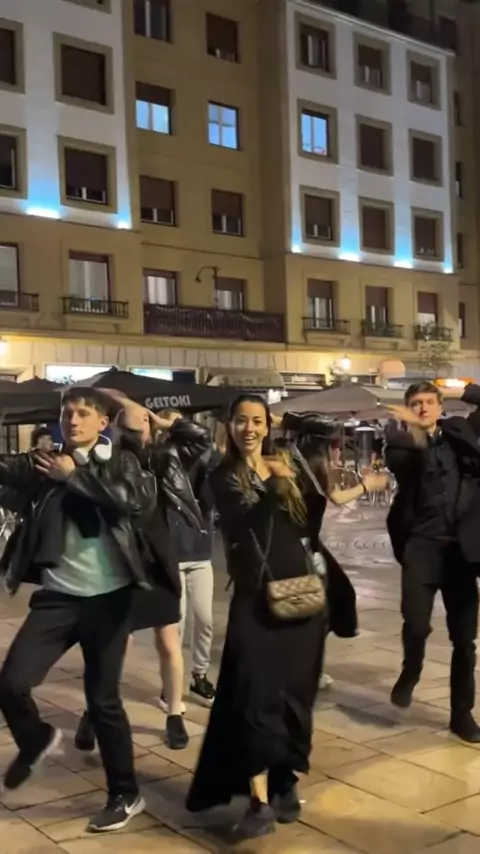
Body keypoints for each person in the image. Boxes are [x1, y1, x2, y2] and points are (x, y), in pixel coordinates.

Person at [186, 394, 363, 840]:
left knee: (296, 698)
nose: (249, 428)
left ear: (268, 426)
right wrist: (276, 489)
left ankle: (285, 778)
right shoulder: (223, 474)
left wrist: (304, 471)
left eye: (257, 421)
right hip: (255, 602)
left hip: (301, 594)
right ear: (229, 425)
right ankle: (259, 800)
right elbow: (244, 520)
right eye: (241, 420)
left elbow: (310, 523)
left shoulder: (287, 464)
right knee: (252, 698)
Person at [0, 388, 156, 832]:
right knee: (11, 684)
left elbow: (132, 502)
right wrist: (58, 470)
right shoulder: (45, 461)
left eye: (84, 413)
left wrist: (75, 475)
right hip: (59, 598)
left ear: (102, 423)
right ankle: (35, 739)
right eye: (67, 412)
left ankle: (125, 793)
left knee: (103, 701)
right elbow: (6, 468)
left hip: (110, 599)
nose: (73, 420)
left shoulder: (121, 461)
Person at [74, 395, 212, 752]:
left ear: (151, 427)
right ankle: (94, 711)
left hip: (158, 562)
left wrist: (167, 423)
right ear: (117, 430)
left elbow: (202, 440)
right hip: (120, 563)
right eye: (127, 428)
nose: (135, 434)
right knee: (114, 645)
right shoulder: (107, 462)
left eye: (142, 425)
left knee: (168, 641)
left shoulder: (163, 459)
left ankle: (175, 713)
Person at [386, 380, 480, 743]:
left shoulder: (459, 432)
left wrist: (462, 392)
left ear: (440, 406)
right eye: (416, 403)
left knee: (465, 640)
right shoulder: (400, 443)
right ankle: (411, 669)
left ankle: (461, 714)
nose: (423, 408)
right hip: (421, 549)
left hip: (460, 553)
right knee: (416, 624)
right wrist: (417, 430)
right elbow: (404, 463)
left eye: (429, 402)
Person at [158, 411, 218, 708]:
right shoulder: (159, 461)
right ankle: (170, 686)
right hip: (172, 554)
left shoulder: (206, 461)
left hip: (200, 553)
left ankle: (199, 676)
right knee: (176, 626)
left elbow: (213, 450)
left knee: (205, 619)